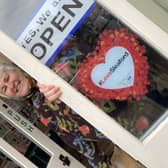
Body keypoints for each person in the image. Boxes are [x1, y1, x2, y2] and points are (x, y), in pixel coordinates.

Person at [0, 63, 114, 168]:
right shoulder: (38, 106)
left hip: (119, 112)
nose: (11, 86)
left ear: (16, 69)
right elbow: (70, 136)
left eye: (7, 78)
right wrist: (101, 163)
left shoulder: (49, 69)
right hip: (116, 135)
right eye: (4, 89)